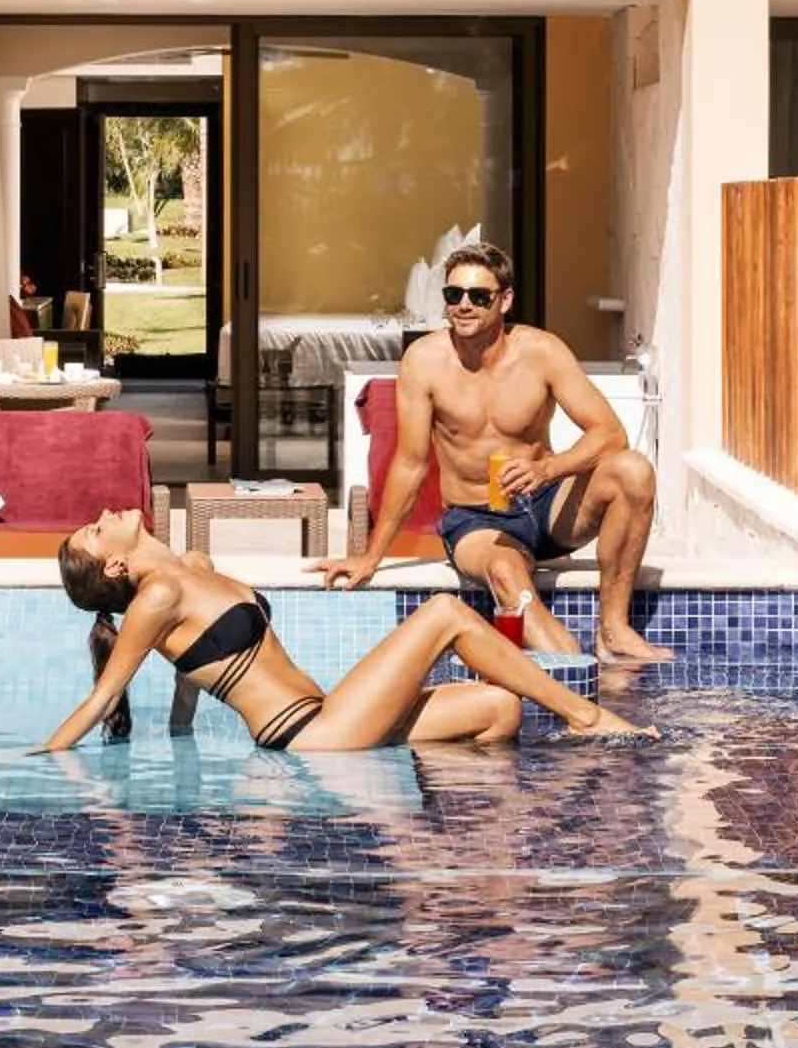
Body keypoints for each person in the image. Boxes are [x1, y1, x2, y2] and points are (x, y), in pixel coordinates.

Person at [40, 508, 655, 753]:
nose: (103, 515)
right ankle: (587, 717)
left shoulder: (192, 568)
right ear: (114, 567)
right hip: (304, 734)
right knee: (444, 612)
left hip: (329, 713)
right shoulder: (155, 598)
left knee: (500, 709)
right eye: (94, 531)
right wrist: (46, 758)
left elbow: (189, 675)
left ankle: (450, 821)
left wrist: (183, 738)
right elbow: (103, 698)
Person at [312, 242, 670, 662]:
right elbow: (410, 465)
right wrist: (371, 556)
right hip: (477, 519)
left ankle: (615, 629)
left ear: (505, 300)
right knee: (504, 571)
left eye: (479, 296)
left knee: (633, 470)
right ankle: (570, 667)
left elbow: (609, 433)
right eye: (453, 295)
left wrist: (548, 469)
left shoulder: (541, 352)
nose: (463, 306)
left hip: (547, 505)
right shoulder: (424, 361)